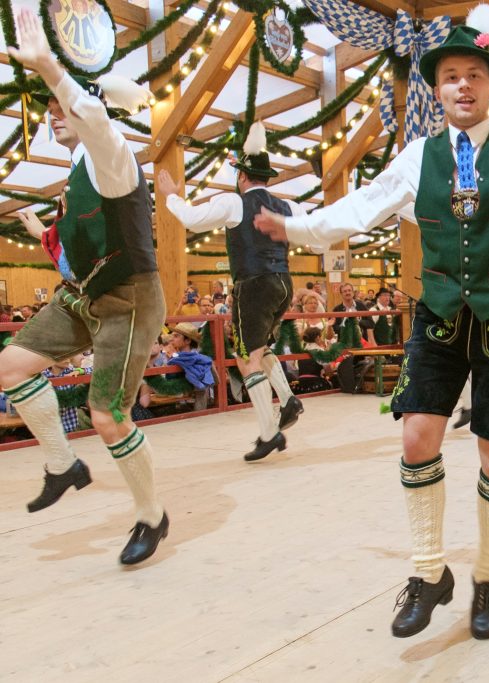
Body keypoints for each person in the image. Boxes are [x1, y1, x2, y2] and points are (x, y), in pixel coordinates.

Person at [255, 0, 489, 639]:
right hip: (441, 315)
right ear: (437, 89)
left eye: (474, 75)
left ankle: (487, 577)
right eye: (450, 76)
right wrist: (296, 227)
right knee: (417, 438)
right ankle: (428, 572)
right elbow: (362, 207)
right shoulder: (417, 157)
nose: (462, 85)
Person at [3, 9, 168, 565]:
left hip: (129, 298)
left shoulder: (113, 155)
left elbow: (94, 118)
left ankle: (152, 516)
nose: (54, 114)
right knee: (7, 368)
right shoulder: (77, 171)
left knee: (107, 415)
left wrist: (51, 66)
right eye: (50, 109)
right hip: (84, 294)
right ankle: (61, 465)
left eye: (60, 107)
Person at [158, 121, 305, 462]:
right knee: (260, 348)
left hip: (253, 284)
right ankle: (287, 400)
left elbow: (192, 219)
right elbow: (311, 231)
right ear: (265, 176)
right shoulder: (287, 206)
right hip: (284, 282)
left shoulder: (233, 202)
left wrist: (171, 197)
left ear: (241, 176)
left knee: (244, 357)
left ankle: (270, 433)